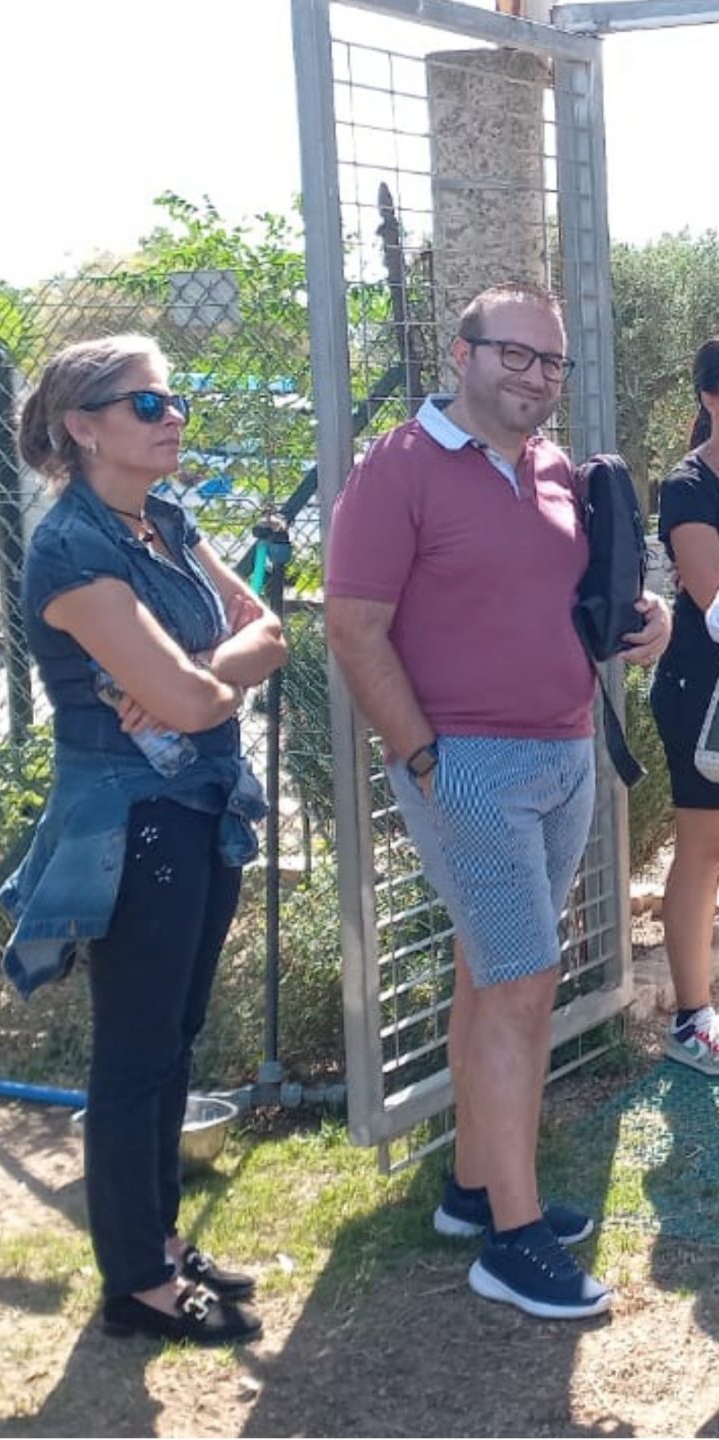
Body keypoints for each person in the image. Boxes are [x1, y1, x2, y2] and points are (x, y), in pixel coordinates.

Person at [325, 282, 670, 1320]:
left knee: (495, 969)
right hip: (466, 765)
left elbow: (560, 594)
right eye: (512, 355)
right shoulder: (397, 469)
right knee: (525, 982)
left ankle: (475, 1191)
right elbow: (351, 627)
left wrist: (641, 617)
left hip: (563, 753)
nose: (532, 376)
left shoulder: (553, 470)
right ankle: (512, 1245)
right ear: (463, 353)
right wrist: (425, 760)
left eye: (549, 363)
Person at [0, 334, 285, 1346]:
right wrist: (196, 682)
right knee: (134, 1053)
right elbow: (192, 698)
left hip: (202, 807)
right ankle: (135, 1285)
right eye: (147, 406)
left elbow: (264, 634)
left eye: (172, 402)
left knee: (173, 1041)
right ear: (82, 427)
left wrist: (199, 670)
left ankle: (158, 1244)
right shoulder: (72, 546)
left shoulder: (164, 517)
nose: (172, 420)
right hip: (133, 824)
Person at [649, 338, 719, 1076]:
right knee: (703, 851)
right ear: (709, 398)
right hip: (703, 699)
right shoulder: (688, 485)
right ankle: (690, 1018)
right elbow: (715, 600)